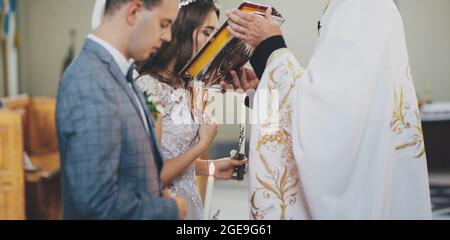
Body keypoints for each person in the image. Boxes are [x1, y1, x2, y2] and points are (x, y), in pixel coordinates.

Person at [225, 0, 432, 219]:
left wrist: (270, 46)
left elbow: (327, 120)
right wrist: (262, 89)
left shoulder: (361, 6)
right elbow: (328, 105)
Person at [56, 0, 185, 220]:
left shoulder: (118, 71)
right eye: (164, 23)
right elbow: (95, 203)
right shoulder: (90, 81)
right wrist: (169, 210)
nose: (168, 37)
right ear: (134, 12)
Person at [136, 0, 245, 220]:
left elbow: (173, 158)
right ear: (182, 31)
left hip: (187, 203)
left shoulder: (182, 86)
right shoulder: (149, 88)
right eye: (207, 33)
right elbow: (152, 177)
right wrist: (203, 145)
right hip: (164, 207)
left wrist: (210, 167)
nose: (214, 44)